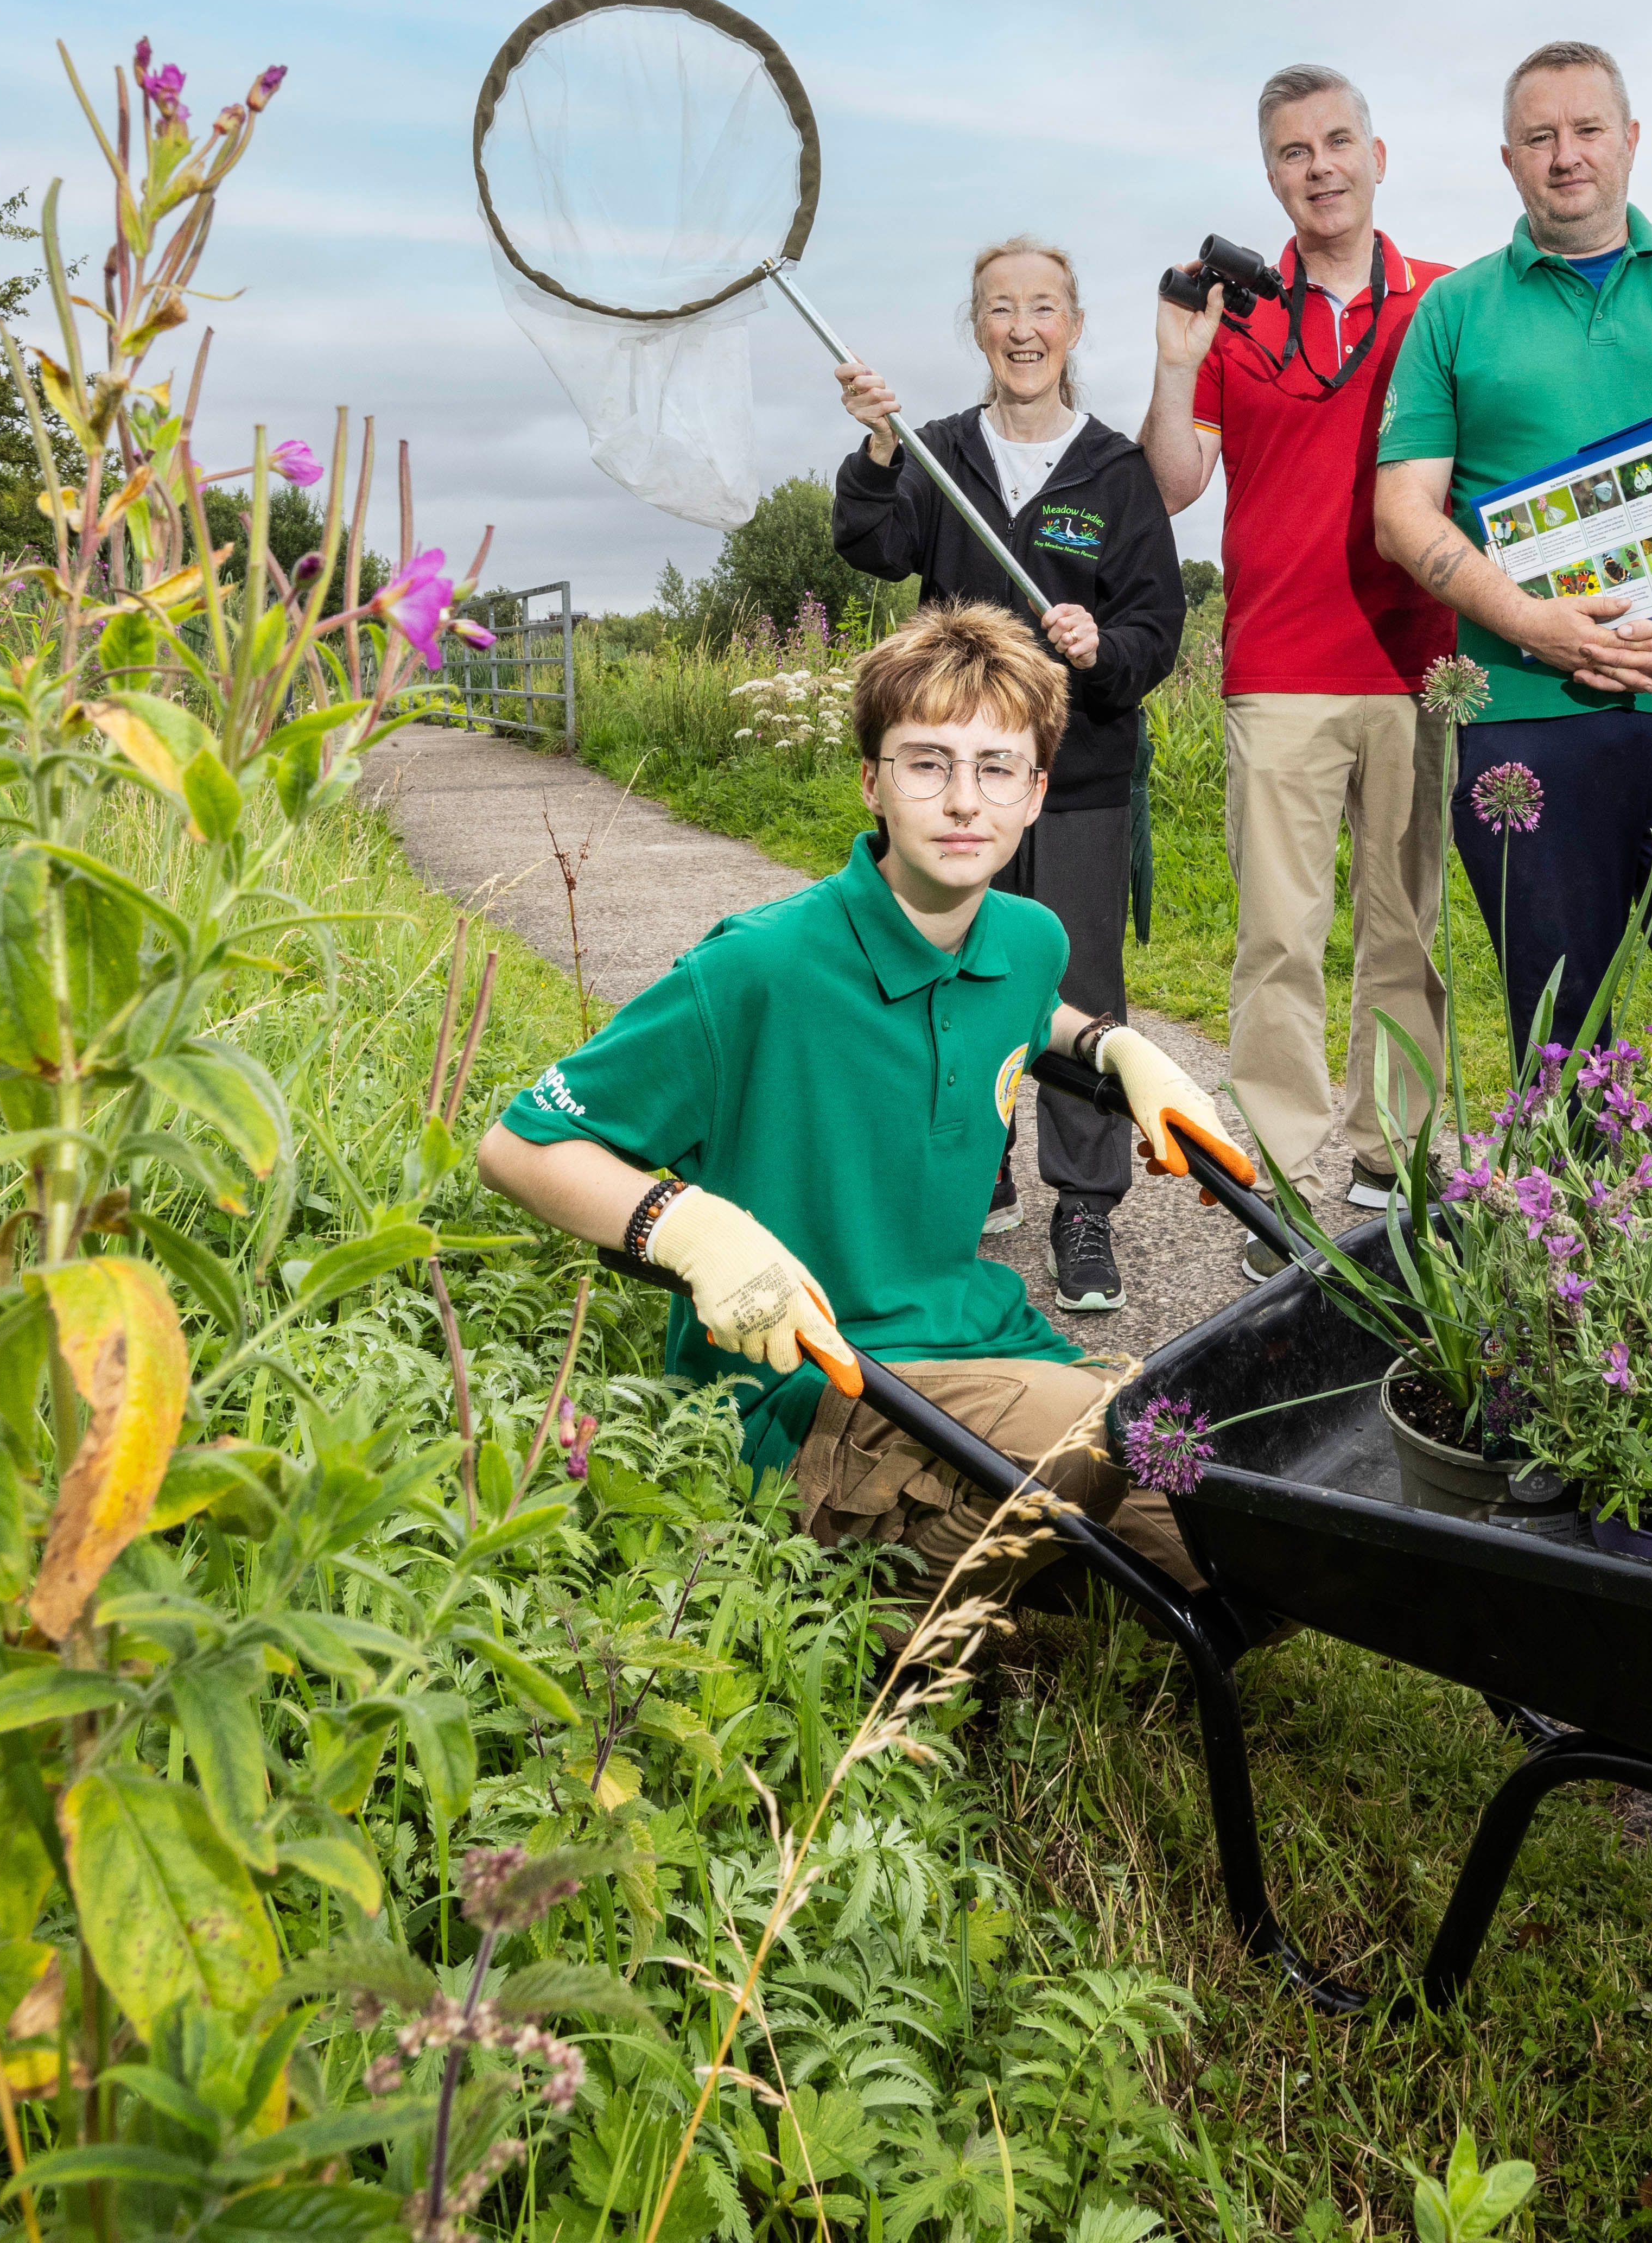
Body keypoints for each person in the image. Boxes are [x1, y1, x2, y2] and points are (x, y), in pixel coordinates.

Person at [474, 605, 1249, 1602]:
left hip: (977, 1337)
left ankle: (1015, 1546)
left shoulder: (1031, 937)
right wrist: (689, 1228)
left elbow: (1018, 998)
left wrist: (1111, 1043)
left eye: (997, 768)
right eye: (927, 763)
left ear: (1037, 794)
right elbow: (520, 1145)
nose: (963, 800)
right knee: (1101, 1443)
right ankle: (867, 1609)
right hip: (814, 1384)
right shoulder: (760, 967)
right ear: (871, 782)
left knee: (1234, 1512)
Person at [1373, 41, 1652, 1062]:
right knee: (1558, 1029)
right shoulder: (1454, 310)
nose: (1566, 155)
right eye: (1539, 137)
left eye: (1588, 129)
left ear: (1630, 141)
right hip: (1525, 715)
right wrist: (1532, 624)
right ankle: (1570, 1222)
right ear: (1506, 158)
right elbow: (1402, 512)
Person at [831, 237, 1187, 1317]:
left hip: (1073, 780)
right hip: (957, 778)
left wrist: (1100, 647)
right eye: (999, 308)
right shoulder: (937, 452)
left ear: (1073, 326)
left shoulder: (1115, 469)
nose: (1022, 327)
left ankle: (1083, 1204)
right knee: (947, 972)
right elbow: (870, 546)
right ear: (977, 328)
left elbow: (1155, 626)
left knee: (1073, 987)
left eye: (1042, 307)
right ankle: (967, 1172)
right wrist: (880, 450)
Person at [1139, 66, 1455, 1274]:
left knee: (1405, 933)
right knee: (1277, 938)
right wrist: (1178, 359)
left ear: (1379, 153)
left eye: (1336, 143)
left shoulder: (1445, 298)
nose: (1317, 166)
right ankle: (1279, 1179)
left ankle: (1393, 1166)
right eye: (1290, 152)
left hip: (1419, 659)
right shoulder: (1238, 315)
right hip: (1276, 663)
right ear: (1268, 174)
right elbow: (1173, 487)